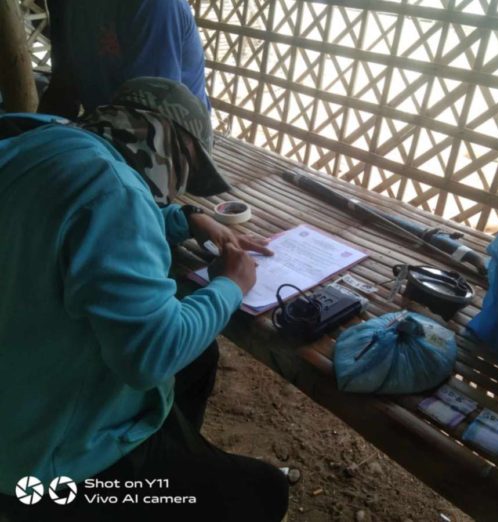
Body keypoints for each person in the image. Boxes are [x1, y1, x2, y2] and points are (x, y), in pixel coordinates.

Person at [0, 77, 288, 521]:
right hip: (44, 470)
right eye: (186, 169)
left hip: (20, 386)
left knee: (198, 358)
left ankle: (170, 463)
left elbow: (82, 216)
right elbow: (150, 355)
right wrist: (231, 285)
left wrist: (187, 216)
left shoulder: (39, 140)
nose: (178, 186)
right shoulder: (114, 193)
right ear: (172, 145)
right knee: (264, 492)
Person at [39, 0, 210, 119]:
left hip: (175, 143)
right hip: (105, 129)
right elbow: (63, 89)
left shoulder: (152, 5)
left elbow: (155, 117)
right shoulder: (62, 4)